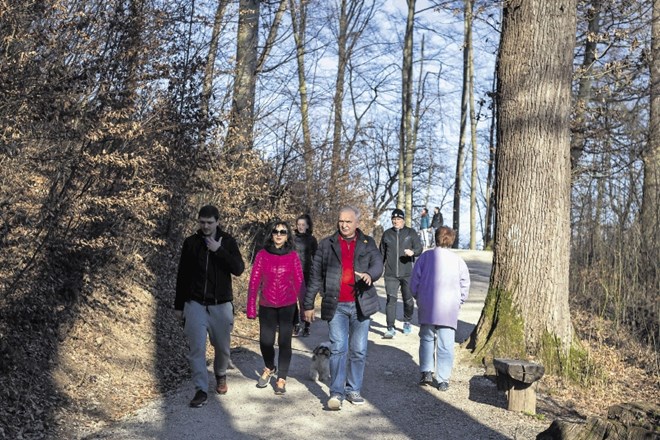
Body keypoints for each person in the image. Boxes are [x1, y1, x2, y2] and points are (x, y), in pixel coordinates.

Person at [303, 206, 383, 410]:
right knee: (338, 349)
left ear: (357, 223)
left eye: (348, 221)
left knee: (358, 350)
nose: (344, 225)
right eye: (341, 221)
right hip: (335, 305)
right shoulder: (326, 244)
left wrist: (369, 275)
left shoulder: (367, 243)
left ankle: (353, 389)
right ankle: (336, 393)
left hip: (361, 305)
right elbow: (315, 276)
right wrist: (309, 304)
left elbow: (378, 265)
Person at [174, 205, 245, 407]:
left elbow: (239, 269)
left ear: (217, 222)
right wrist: (179, 306)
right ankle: (201, 390)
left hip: (221, 305)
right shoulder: (191, 243)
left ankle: (220, 373)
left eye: (209, 222)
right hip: (195, 304)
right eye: (202, 222)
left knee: (222, 348)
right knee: (196, 349)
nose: (205, 226)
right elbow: (182, 276)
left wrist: (218, 250)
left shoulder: (228, 241)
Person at [247, 220, 304, 395]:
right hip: (267, 304)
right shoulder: (262, 255)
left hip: (287, 305)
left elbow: (300, 282)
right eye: (275, 231)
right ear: (271, 234)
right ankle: (270, 367)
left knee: (284, 342)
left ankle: (282, 378)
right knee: (266, 341)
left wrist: (305, 308)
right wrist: (251, 307)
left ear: (288, 236)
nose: (279, 235)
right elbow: (254, 281)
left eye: (283, 232)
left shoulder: (293, 256)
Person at [410, 226, 470, 392]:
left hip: (428, 303)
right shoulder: (458, 261)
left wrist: (417, 296)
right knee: (446, 343)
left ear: (436, 238)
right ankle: (443, 378)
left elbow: (414, 280)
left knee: (427, 338)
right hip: (449, 307)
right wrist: (459, 301)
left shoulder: (425, 257)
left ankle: (426, 371)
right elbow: (465, 283)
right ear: (452, 240)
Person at [379, 208, 423, 339]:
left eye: (398, 219)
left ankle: (407, 322)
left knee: (408, 300)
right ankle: (390, 328)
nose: (395, 221)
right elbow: (381, 254)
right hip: (390, 274)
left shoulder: (411, 232)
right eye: (393, 219)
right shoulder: (387, 234)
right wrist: (376, 269)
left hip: (407, 273)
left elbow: (419, 248)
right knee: (391, 300)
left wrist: (413, 252)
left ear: (403, 220)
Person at [292, 214, 318, 337]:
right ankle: (296, 324)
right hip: (293, 272)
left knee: (305, 300)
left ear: (308, 226)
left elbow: (316, 257)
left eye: (303, 225)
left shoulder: (312, 240)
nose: (301, 227)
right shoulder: (291, 239)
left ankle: (307, 325)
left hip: (307, 273)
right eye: (299, 225)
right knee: (292, 300)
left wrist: (316, 272)